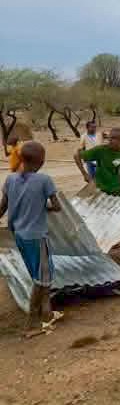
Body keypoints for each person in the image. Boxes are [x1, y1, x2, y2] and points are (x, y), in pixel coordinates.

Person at [0, 141, 62, 331]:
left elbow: (2, 207)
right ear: (41, 161)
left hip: (20, 235)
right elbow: (57, 206)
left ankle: (48, 313)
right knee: (43, 279)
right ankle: (32, 321)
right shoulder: (44, 180)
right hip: (37, 236)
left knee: (38, 274)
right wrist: (44, 206)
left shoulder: (10, 179)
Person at [74, 127, 120, 196]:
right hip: (100, 188)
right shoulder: (100, 150)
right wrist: (85, 174)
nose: (110, 140)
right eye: (109, 137)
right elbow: (76, 155)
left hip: (116, 189)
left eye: (113, 138)